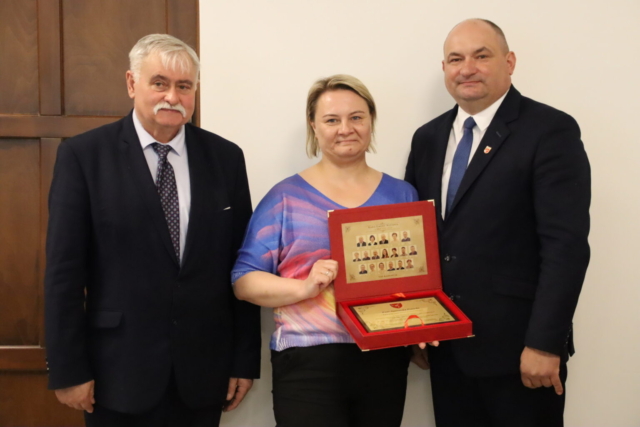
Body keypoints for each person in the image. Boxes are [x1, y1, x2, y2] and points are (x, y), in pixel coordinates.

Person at [44, 34, 261, 426]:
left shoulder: (226, 158)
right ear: (132, 83)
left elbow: (241, 265)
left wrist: (243, 360)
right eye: (159, 83)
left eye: (184, 86)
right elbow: (64, 273)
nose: (172, 97)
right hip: (116, 375)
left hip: (203, 373)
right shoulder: (83, 156)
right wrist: (68, 369)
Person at [405, 19, 590, 427]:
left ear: (509, 62)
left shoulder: (549, 130)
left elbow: (566, 247)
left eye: (481, 55)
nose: (467, 68)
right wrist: (414, 326)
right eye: (456, 59)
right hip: (446, 347)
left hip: (520, 352)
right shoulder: (427, 138)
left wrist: (545, 343)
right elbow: (417, 241)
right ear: (444, 68)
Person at [232, 74, 418, 427]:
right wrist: (304, 287)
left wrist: (421, 329)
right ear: (314, 127)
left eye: (356, 117)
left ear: (371, 121)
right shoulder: (285, 198)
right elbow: (244, 281)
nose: (345, 129)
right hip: (307, 361)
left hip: (385, 358)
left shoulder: (402, 195)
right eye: (332, 120)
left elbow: (416, 279)